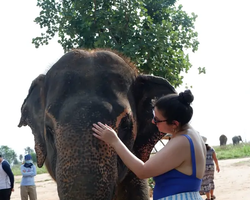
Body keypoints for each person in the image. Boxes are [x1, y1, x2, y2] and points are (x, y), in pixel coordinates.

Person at [92, 90, 206, 200]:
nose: (153, 122)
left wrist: (114, 141)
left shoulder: (182, 141)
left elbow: (142, 171)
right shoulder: (193, 135)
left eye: (157, 120)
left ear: (175, 123)